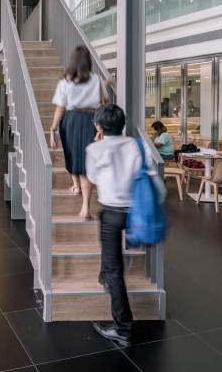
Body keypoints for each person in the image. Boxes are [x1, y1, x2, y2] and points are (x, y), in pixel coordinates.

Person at [86, 104, 157, 347]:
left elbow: (93, 178)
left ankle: (123, 329)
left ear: (99, 126)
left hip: (112, 213)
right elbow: (149, 173)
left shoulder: (94, 149)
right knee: (110, 264)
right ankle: (105, 276)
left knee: (114, 269)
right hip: (137, 211)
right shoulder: (138, 145)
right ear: (122, 124)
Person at [49, 46, 106, 220]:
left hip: (71, 121)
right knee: (87, 162)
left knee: (74, 157)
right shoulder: (96, 79)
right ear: (88, 61)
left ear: (72, 61)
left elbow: (60, 107)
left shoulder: (65, 81)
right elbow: (102, 102)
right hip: (91, 120)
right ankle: (85, 207)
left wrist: (53, 128)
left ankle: (78, 190)